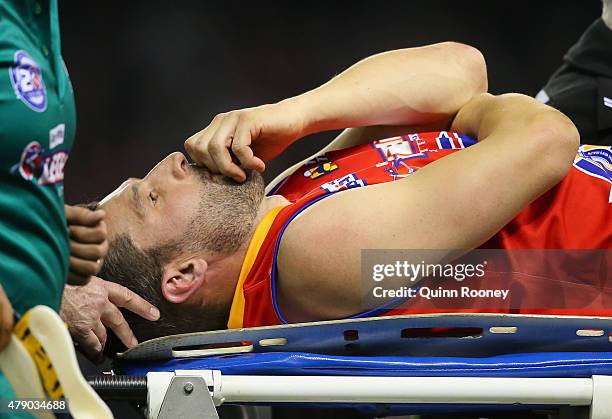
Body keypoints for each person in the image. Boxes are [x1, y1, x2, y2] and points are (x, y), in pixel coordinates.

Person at [64, 41, 611, 348]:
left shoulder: (276, 210)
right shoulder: (316, 260)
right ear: (183, 275)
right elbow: (546, 136)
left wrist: (292, 116)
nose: (171, 162)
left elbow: (459, 68)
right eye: (150, 198)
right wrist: (485, 113)